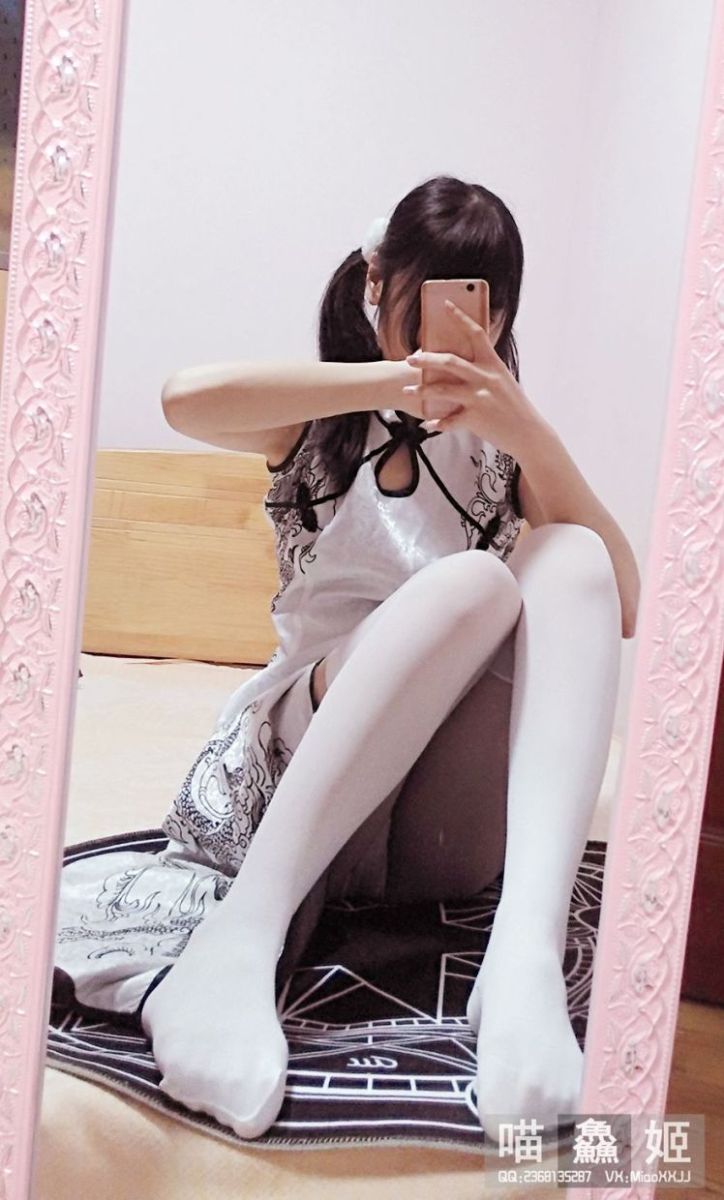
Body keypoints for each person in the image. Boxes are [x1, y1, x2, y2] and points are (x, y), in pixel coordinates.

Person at [54, 174, 640, 1144]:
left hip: (430, 840)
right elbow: (183, 400)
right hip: (294, 778)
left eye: (483, 303)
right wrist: (393, 379)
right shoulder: (318, 422)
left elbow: (619, 602)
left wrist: (520, 423)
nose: (462, 323)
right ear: (376, 280)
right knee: (472, 586)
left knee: (567, 555)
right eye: (433, 294)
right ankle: (241, 939)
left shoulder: (501, 455)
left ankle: (522, 959)